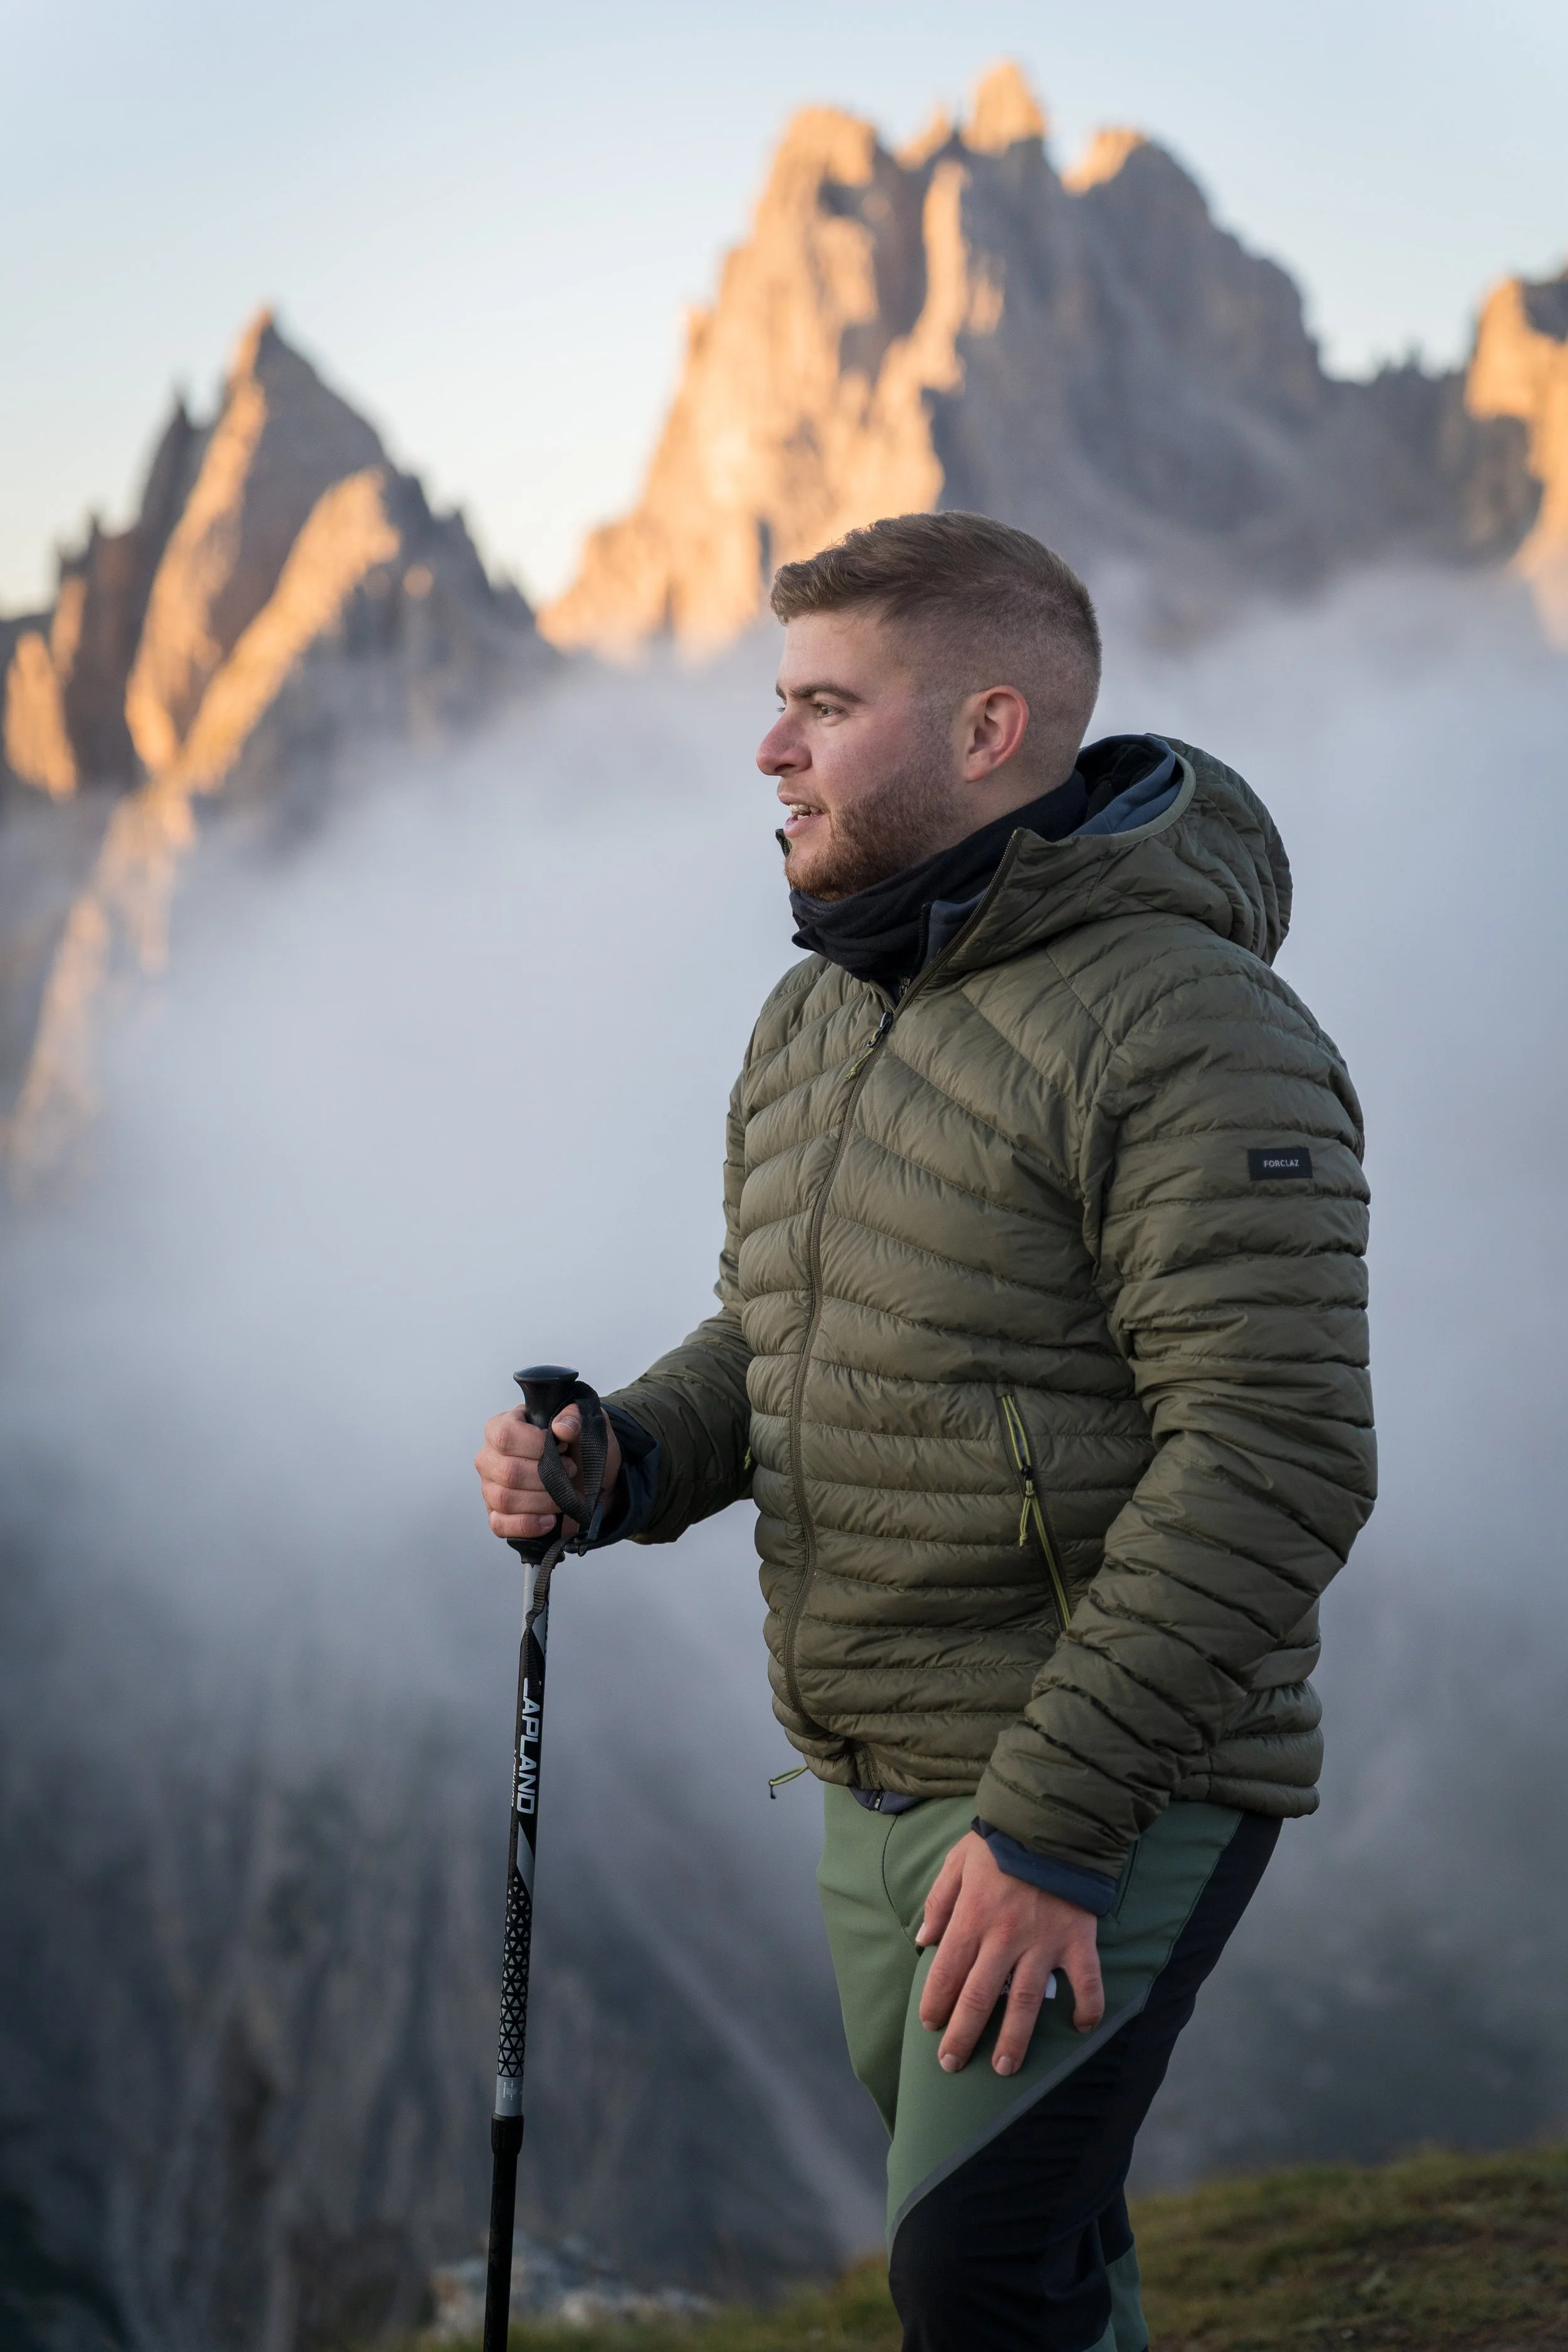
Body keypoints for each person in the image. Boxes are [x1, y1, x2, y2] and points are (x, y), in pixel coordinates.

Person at [474, 512, 1375, 2352]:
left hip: (1092, 1782)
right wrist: (623, 1457)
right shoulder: (822, 1010)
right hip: (872, 1777)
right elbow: (791, 1336)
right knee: (1040, 2256)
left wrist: (1047, 1826)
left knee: (975, 2277)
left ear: (983, 730)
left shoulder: (1196, 1026)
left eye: (822, 703)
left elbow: (1273, 1452)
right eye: (777, 702)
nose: (767, 748)